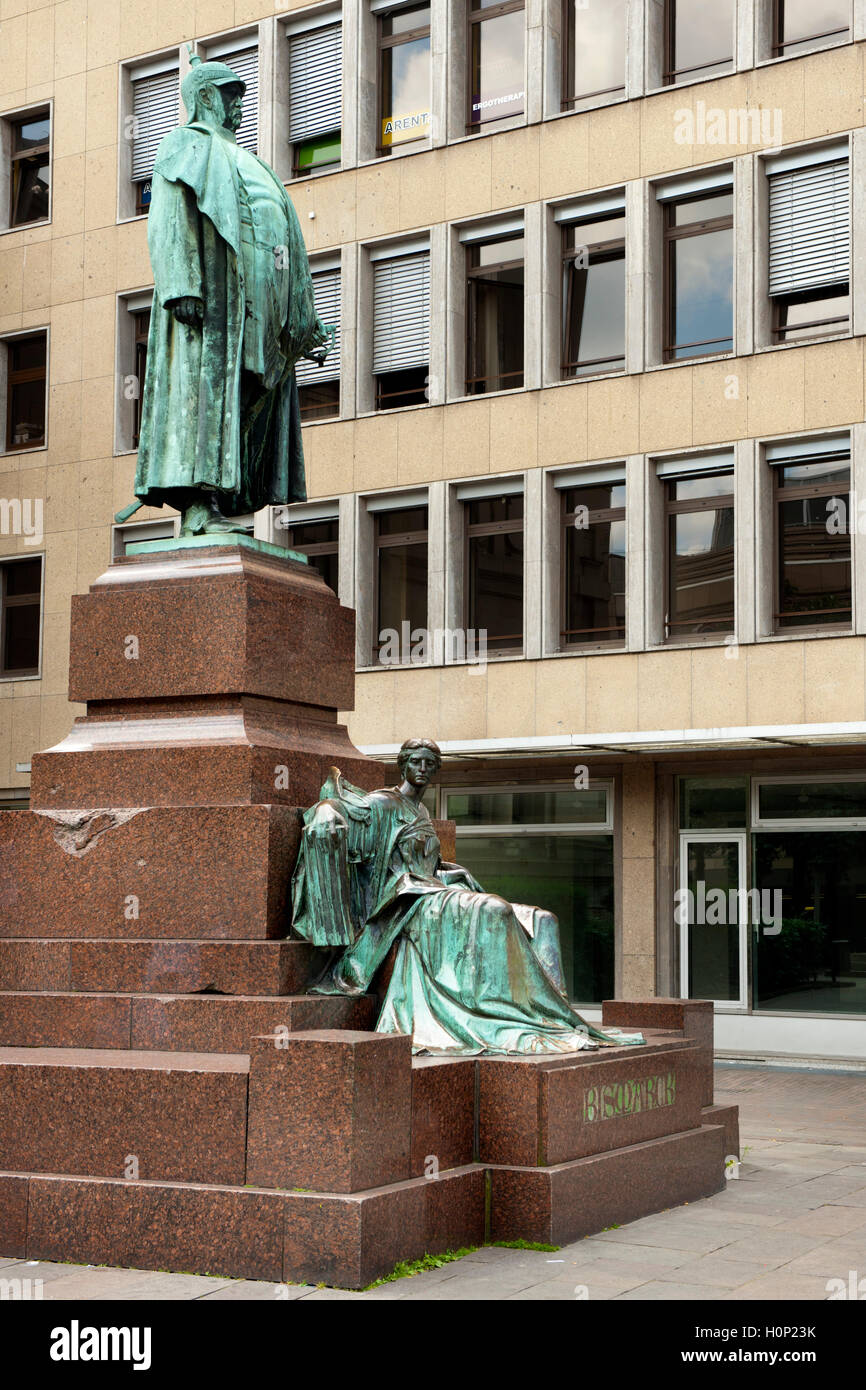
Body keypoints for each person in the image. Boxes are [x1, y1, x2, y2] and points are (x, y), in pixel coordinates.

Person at [291, 737, 644, 1054]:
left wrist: (447, 870)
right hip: (407, 905)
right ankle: (504, 1011)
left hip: (437, 893)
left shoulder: (423, 812)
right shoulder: (385, 802)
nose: (423, 769)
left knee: (544, 920)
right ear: (403, 765)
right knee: (494, 909)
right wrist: (325, 811)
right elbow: (349, 815)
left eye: (430, 763)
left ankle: (556, 1017)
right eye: (416, 762)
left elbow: (425, 860)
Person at [129, 53, 328, 536]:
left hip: (260, 310)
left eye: (239, 95)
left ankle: (222, 499)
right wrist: (181, 285)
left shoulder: (253, 162)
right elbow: (170, 221)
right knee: (206, 400)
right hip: (213, 298)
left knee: (250, 396)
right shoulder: (184, 145)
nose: (239, 104)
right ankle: (198, 507)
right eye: (229, 94)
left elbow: (285, 242)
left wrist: (301, 320)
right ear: (203, 97)